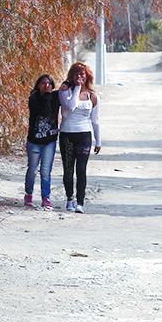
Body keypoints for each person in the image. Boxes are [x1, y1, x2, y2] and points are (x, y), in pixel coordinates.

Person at [58, 62, 101, 213]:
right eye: (76, 74)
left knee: (81, 169)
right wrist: (76, 88)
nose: (79, 77)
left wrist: (98, 141)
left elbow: (95, 120)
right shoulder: (65, 91)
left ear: (87, 76)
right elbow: (69, 107)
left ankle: (80, 203)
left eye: (82, 74)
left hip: (84, 135)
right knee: (68, 169)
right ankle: (70, 199)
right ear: (72, 76)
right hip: (67, 135)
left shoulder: (93, 96)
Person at [24, 74, 60, 209]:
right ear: (38, 85)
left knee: (45, 171)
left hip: (49, 141)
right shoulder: (33, 99)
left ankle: (46, 198)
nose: (47, 86)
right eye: (44, 83)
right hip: (34, 140)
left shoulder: (55, 97)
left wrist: (66, 86)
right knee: (32, 169)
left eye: (49, 83)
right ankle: (29, 194)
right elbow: (44, 112)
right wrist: (47, 96)